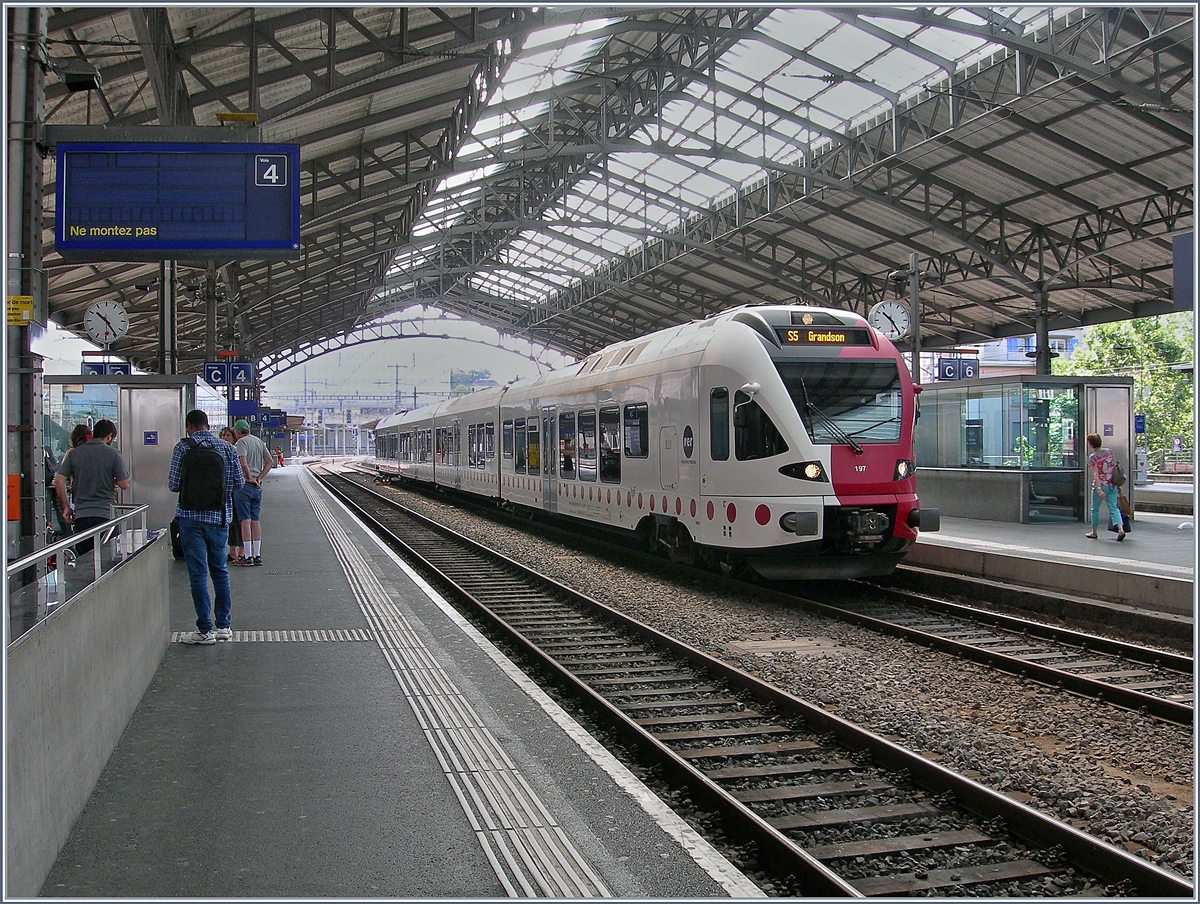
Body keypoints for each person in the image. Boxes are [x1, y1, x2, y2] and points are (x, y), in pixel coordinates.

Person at [169, 410, 244, 644]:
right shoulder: (227, 448)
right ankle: (224, 626)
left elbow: (173, 485)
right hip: (219, 518)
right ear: (208, 425)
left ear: (190, 425)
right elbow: (238, 483)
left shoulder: (182, 448)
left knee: (198, 574)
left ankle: (204, 631)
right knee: (220, 571)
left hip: (190, 520)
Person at [54, 419, 130, 553]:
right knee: (106, 558)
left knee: (85, 560)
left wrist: (66, 507)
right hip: (105, 515)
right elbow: (124, 484)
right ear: (109, 436)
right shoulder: (113, 454)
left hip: (82, 516)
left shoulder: (75, 453)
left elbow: (59, 480)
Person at [233, 419, 272, 566]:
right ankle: (257, 555)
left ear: (237, 432)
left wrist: (249, 478)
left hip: (244, 486)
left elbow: (242, 462)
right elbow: (269, 462)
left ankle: (247, 556)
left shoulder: (241, 443)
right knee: (255, 521)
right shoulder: (259, 442)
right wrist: (259, 478)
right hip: (257, 487)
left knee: (245, 522)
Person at [1085, 432, 1124, 541]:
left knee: (1095, 509)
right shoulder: (1109, 452)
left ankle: (1094, 532)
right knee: (1113, 508)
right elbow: (1113, 469)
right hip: (1112, 485)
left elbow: (1096, 474)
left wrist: (1098, 489)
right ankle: (1120, 529)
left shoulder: (1093, 457)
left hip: (1101, 485)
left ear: (1091, 444)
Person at [219, 427, 244, 564]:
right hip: (227, 492)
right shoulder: (220, 450)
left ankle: (239, 550)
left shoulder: (234, 450)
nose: (225, 437)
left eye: (228, 435)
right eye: (223, 435)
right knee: (231, 522)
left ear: (234, 437)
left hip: (235, 492)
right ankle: (232, 550)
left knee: (237, 521)